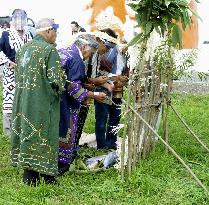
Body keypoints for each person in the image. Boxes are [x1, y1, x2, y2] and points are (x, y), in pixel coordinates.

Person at [10, 18, 66, 186]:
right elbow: (56, 81)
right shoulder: (49, 51)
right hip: (42, 103)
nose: (56, 36)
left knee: (27, 133)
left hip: (23, 102)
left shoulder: (22, 50)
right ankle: (47, 176)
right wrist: (63, 83)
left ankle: (29, 175)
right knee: (45, 134)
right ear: (48, 31)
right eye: (55, 32)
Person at [58, 34, 106, 174]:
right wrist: (94, 95)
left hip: (54, 99)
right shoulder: (76, 59)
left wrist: (92, 82)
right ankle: (61, 165)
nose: (89, 56)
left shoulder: (65, 51)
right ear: (84, 46)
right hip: (65, 102)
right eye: (90, 53)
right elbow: (73, 87)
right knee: (65, 129)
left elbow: (69, 78)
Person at [94, 28, 129, 150]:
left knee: (116, 116)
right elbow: (99, 72)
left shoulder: (126, 55)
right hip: (103, 87)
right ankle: (102, 145)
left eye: (127, 43)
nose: (125, 45)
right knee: (102, 116)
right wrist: (115, 78)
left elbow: (125, 71)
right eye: (123, 43)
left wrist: (124, 79)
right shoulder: (109, 51)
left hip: (117, 89)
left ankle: (111, 143)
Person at [0, 9, 33, 136]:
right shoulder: (6, 34)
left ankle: (22, 127)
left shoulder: (28, 34)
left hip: (26, 73)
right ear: (12, 20)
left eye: (22, 18)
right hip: (11, 72)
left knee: (24, 99)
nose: (19, 21)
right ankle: (9, 131)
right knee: (9, 99)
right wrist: (8, 62)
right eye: (17, 18)